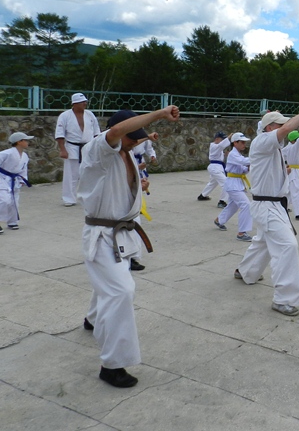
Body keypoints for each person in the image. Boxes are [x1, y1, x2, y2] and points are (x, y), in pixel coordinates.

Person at [78, 106, 181, 388]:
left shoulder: (126, 153)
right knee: (122, 290)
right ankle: (112, 365)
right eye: (131, 135)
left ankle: (92, 318)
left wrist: (138, 183)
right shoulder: (98, 148)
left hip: (122, 235)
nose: (136, 140)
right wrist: (159, 113)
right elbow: (116, 133)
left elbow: (119, 184)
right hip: (102, 236)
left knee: (110, 286)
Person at [234, 105, 299, 317]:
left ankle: (246, 272)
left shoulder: (272, 147)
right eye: (281, 125)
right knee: (287, 246)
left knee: (263, 241)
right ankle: (284, 299)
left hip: (274, 205)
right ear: (270, 127)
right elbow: (287, 129)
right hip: (267, 205)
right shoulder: (263, 140)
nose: (285, 128)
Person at [55, 93, 100, 207]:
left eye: (85, 101)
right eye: (82, 102)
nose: (85, 103)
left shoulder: (90, 115)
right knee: (71, 175)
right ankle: (69, 198)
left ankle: (89, 196)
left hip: (88, 147)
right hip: (72, 147)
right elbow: (60, 134)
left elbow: (96, 133)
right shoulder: (65, 116)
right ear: (74, 104)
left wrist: (97, 148)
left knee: (89, 173)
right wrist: (62, 149)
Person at [0, 131, 34, 234]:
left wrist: (22, 179)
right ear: (19, 142)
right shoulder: (6, 153)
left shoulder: (24, 156)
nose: (27, 142)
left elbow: (23, 169)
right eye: (25, 140)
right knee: (4, 200)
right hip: (2, 178)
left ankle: (12, 221)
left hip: (14, 179)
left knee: (14, 201)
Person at [214, 132, 254, 242]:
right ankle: (241, 233)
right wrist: (257, 157)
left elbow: (243, 169)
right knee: (246, 205)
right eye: (242, 142)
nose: (244, 144)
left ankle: (219, 220)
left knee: (234, 205)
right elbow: (243, 161)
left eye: (244, 142)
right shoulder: (233, 154)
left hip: (237, 183)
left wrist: (248, 168)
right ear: (234, 143)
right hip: (232, 184)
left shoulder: (238, 155)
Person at [129, 132, 159, 272]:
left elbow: (149, 148)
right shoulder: (118, 148)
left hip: (137, 166)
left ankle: (133, 256)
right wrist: (135, 169)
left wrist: (152, 156)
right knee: (133, 223)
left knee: (135, 221)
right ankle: (131, 257)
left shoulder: (142, 135)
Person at [198, 131, 234, 207]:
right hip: (215, 167)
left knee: (213, 183)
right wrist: (229, 136)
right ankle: (222, 201)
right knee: (226, 183)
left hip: (217, 167)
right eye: (222, 139)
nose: (223, 141)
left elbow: (218, 154)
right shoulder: (214, 146)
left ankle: (203, 195)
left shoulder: (218, 148)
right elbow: (221, 146)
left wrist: (225, 154)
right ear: (217, 139)